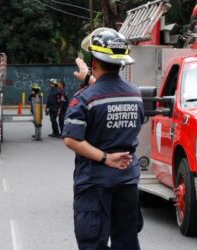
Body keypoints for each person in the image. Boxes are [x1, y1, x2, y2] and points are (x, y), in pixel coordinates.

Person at [62, 28, 145, 249]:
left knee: (93, 243)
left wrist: (105, 157)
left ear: (94, 62)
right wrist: (89, 79)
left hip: (94, 183)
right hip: (127, 181)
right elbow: (109, 94)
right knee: (126, 242)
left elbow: (72, 139)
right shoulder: (134, 94)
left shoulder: (84, 99)